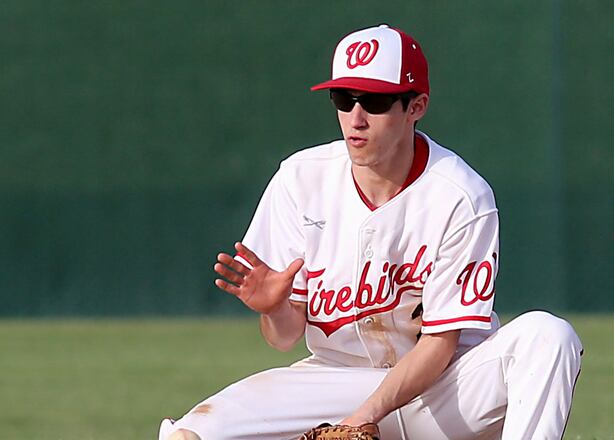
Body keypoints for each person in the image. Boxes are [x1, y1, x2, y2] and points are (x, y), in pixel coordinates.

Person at [159, 24, 583, 440]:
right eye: (343, 99)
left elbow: (439, 344)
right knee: (195, 432)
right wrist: (275, 310)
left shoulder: (460, 196)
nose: (355, 118)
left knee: (549, 337)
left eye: (375, 102)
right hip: (335, 382)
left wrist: (361, 419)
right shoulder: (300, 180)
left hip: (445, 392)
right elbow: (284, 339)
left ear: (415, 106)